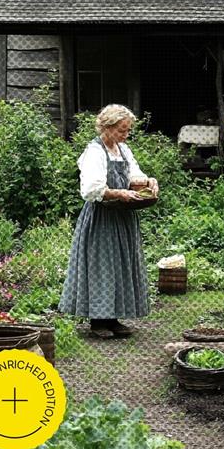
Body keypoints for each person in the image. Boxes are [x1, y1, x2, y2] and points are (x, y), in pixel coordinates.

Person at [59, 104, 158, 339]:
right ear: (108, 127)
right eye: (122, 130)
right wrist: (118, 193)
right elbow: (91, 189)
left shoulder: (123, 150)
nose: (125, 135)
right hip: (101, 217)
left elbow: (134, 175)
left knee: (119, 264)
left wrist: (148, 181)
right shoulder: (94, 152)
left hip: (122, 218)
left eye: (127, 131)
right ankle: (98, 321)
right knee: (101, 265)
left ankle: (114, 319)